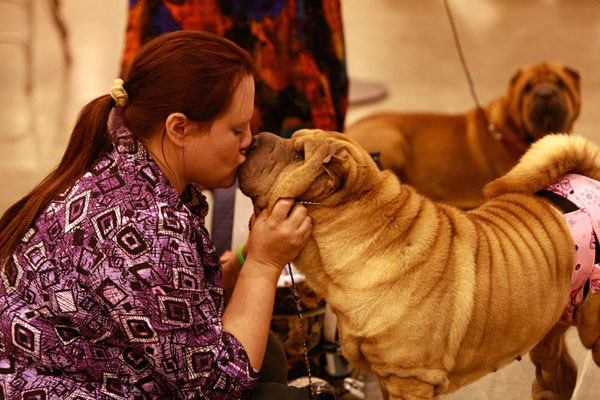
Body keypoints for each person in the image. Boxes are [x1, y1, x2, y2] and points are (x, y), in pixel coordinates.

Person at [0, 30, 322, 399]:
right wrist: (265, 264)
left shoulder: (124, 161)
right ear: (179, 128)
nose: (249, 140)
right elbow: (220, 386)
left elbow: (167, 313)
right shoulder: (145, 227)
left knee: (269, 354)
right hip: (65, 388)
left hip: (88, 368)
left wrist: (240, 266)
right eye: (236, 129)